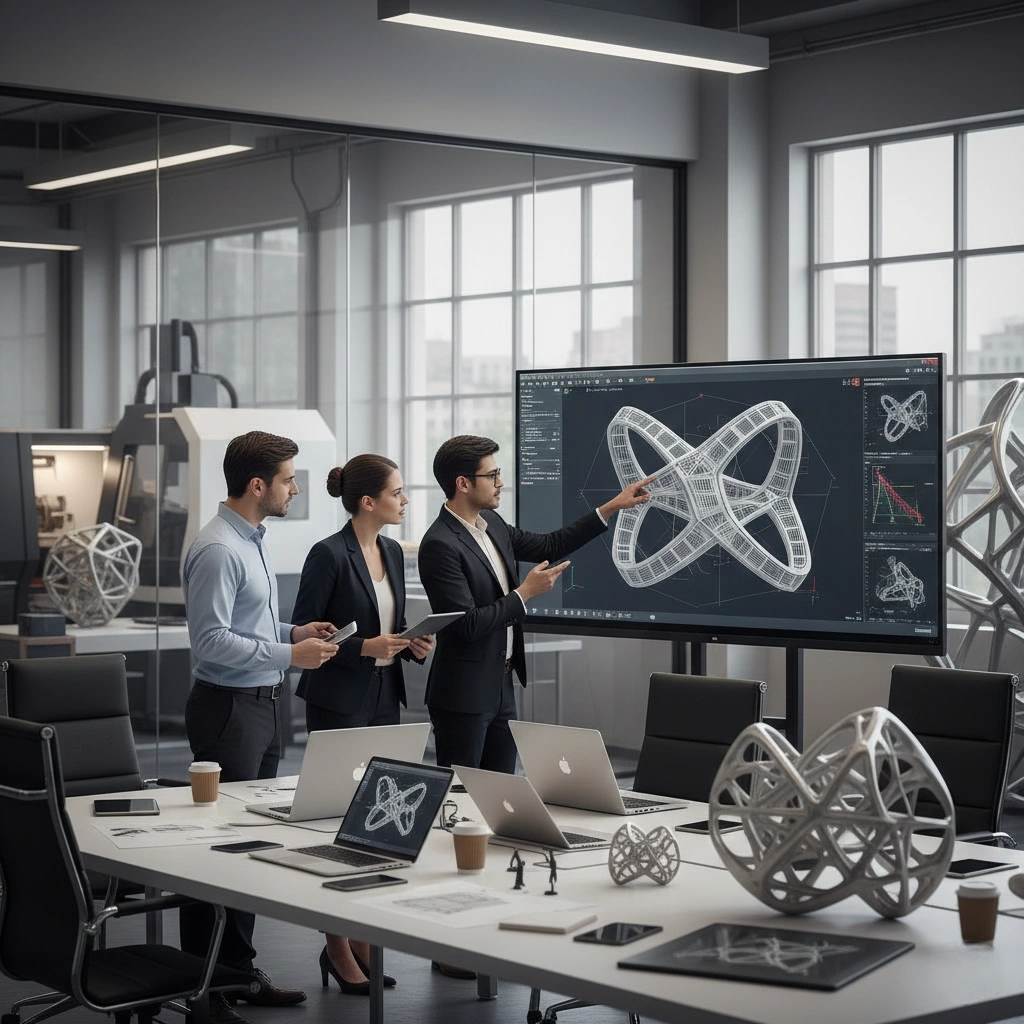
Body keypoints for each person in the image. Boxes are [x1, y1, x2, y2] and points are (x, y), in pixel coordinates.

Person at [180, 430, 338, 1024]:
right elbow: (212, 641)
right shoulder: (220, 548)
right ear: (257, 485)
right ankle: (207, 991)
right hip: (228, 708)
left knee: (246, 845)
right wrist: (287, 657)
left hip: (259, 704)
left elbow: (245, 627)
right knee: (215, 850)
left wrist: (291, 637)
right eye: (289, 479)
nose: (295, 487)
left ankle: (238, 973)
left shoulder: (251, 540)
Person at [418, 434, 654, 776]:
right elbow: (466, 625)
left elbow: (550, 544)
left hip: (501, 687)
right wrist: (523, 594)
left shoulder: (493, 525)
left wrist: (611, 507)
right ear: (463, 483)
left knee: (500, 793)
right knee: (461, 796)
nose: (501, 483)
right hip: (463, 696)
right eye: (492, 475)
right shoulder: (439, 545)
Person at [292, 453, 433, 995]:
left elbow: (388, 626)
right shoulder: (327, 554)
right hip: (339, 696)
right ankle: (335, 944)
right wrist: (361, 648)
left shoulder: (393, 551)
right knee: (337, 821)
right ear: (368, 501)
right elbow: (311, 638)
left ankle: (366, 937)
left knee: (377, 820)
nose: (404, 500)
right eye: (398, 492)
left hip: (383, 693)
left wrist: (412, 644)